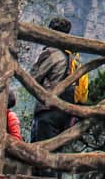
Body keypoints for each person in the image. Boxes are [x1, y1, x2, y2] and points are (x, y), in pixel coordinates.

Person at [30, 17, 73, 146]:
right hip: (65, 112)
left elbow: (33, 78)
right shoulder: (71, 56)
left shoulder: (51, 53)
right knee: (55, 152)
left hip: (48, 110)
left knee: (40, 151)